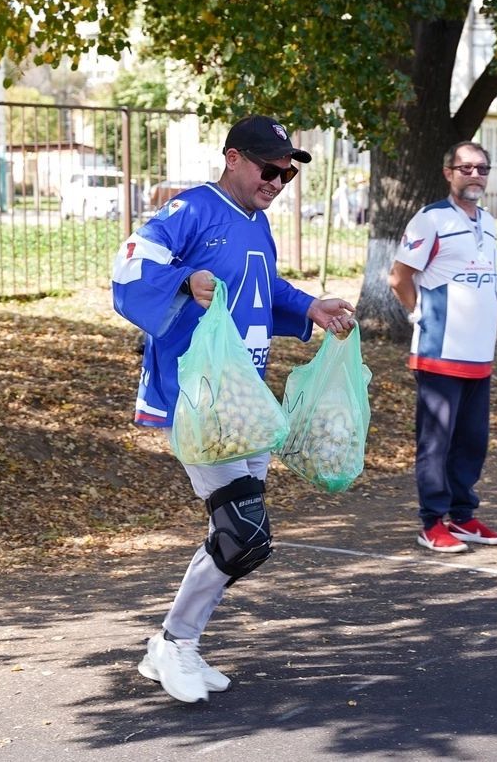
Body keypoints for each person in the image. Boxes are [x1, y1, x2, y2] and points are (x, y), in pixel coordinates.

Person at [111, 115, 355, 703]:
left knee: (244, 537)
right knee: (242, 531)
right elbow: (127, 272)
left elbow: (264, 288)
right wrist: (183, 278)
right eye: (270, 168)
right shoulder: (190, 210)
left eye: (287, 173)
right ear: (233, 158)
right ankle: (173, 645)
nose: (278, 180)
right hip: (200, 397)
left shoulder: (258, 225)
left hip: (246, 401)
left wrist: (311, 307)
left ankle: (176, 645)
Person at [388, 141, 497, 554]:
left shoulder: (489, 222)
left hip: (479, 354)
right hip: (440, 353)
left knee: (472, 440)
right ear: (449, 173)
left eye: (482, 169)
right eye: (466, 168)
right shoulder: (430, 219)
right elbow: (398, 278)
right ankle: (432, 521)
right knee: (436, 441)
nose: (474, 175)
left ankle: (463, 516)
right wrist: (419, 314)